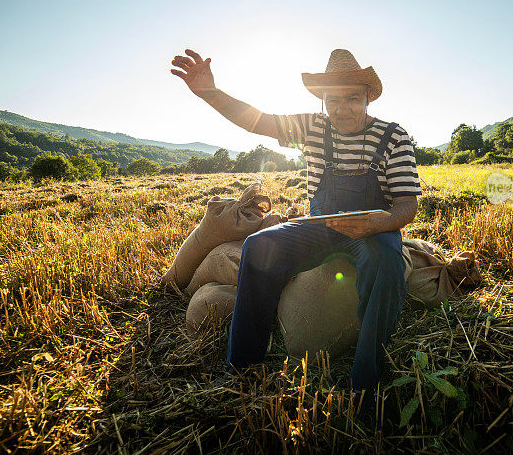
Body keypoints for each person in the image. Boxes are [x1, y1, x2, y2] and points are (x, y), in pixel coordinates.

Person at [170, 48, 421, 390]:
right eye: (333, 100)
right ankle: (243, 366)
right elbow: (255, 120)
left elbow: (407, 204)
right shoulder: (312, 127)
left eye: (352, 99)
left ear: (367, 99)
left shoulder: (394, 137)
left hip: (373, 229)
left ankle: (367, 380)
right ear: (322, 100)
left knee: (385, 263)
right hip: (320, 227)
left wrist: (378, 224)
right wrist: (210, 93)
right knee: (259, 245)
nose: (342, 109)